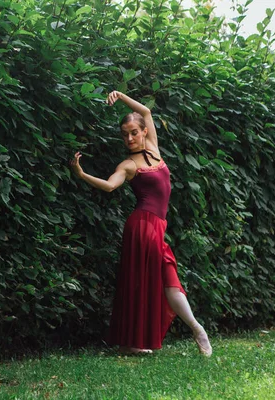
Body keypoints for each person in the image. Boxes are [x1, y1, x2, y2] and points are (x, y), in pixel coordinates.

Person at [70, 90, 212, 356]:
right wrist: (82, 173)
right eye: (125, 134)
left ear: (144, 132)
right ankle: (196, 328)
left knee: (146, 282)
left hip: (156, 226)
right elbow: (111, 186)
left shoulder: (154, 149)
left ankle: (131, 344)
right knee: (162, 278)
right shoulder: (128, 164)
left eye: (134, 132)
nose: (130, 138)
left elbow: (146, 112)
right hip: (143, 227)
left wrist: (120, 95)